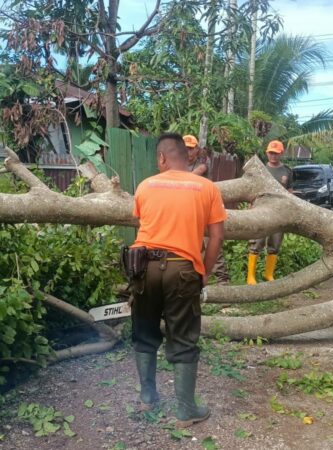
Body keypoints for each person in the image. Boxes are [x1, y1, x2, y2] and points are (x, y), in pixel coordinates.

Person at [130, 133, 227, 428]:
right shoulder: (207, 187)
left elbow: (142, 225)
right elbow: (217, 236)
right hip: (183, 269)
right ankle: (185, 411)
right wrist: (204, 273)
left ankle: (148, 399)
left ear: (161, 158)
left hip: (142, 267)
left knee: (144, 333)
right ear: (189, 157)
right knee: (183, 338)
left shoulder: (145, 186)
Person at [184, 134, 230, 284]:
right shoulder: (180, 163)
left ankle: (222, 280)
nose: (188, 152)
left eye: (191, 148)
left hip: (206, 207)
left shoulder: (204, 160)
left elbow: (196, 174)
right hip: (188, 208)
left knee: (212, 242)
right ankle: (193, 277)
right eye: (185, 149)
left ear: (197, 149)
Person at [246, 140, 293, 285]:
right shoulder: (261, 170)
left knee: (275, 243)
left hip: (279, 212)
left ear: (281, 153)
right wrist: (250, 207)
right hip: (260, 210)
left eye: (276, 153)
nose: (273, 156)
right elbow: (251, 190)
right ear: (267, 152)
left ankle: (268, 274)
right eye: (271, 153)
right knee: (256, 242)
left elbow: (289, 191)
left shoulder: (287, 171)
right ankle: (250, 277)